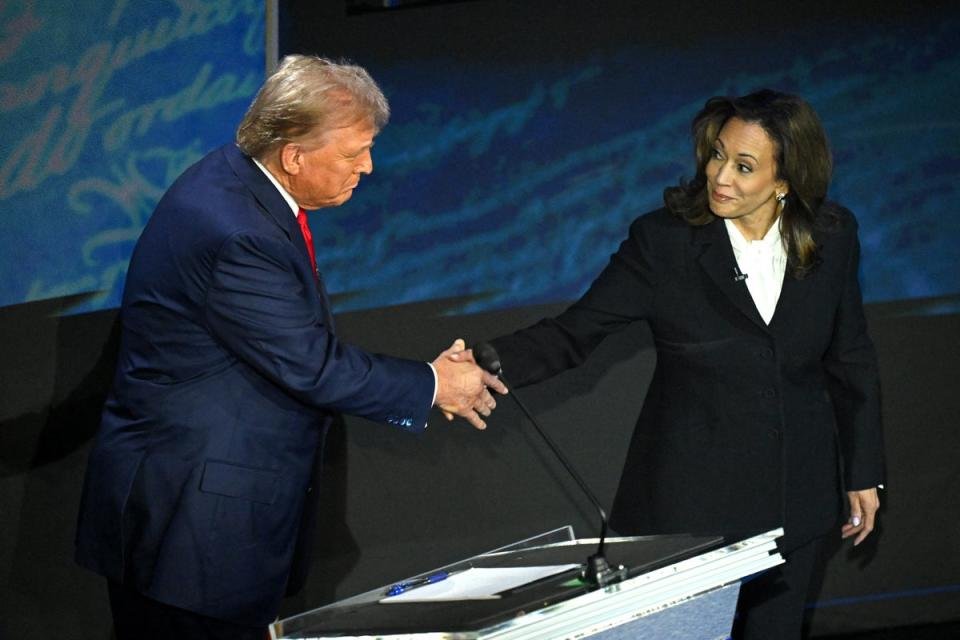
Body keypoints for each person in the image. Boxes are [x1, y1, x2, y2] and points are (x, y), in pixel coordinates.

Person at [74, 55, 506, 639]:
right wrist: (434, 383)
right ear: (294, 154)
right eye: (354, 153)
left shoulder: (236, 182)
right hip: (191, 530)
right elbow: (311, 364)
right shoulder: (236, 230)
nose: (369, 167)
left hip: (197, 516)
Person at [465, 89, 884, 638]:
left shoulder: (832, 236)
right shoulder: (664, 243)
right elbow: (576, 332)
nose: (720, 176)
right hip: (689, 512)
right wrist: (481, 364)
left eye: (744, 166)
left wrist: (863, 472)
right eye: (717, 154)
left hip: (795, 502)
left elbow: (851, 357)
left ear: (785, 181)